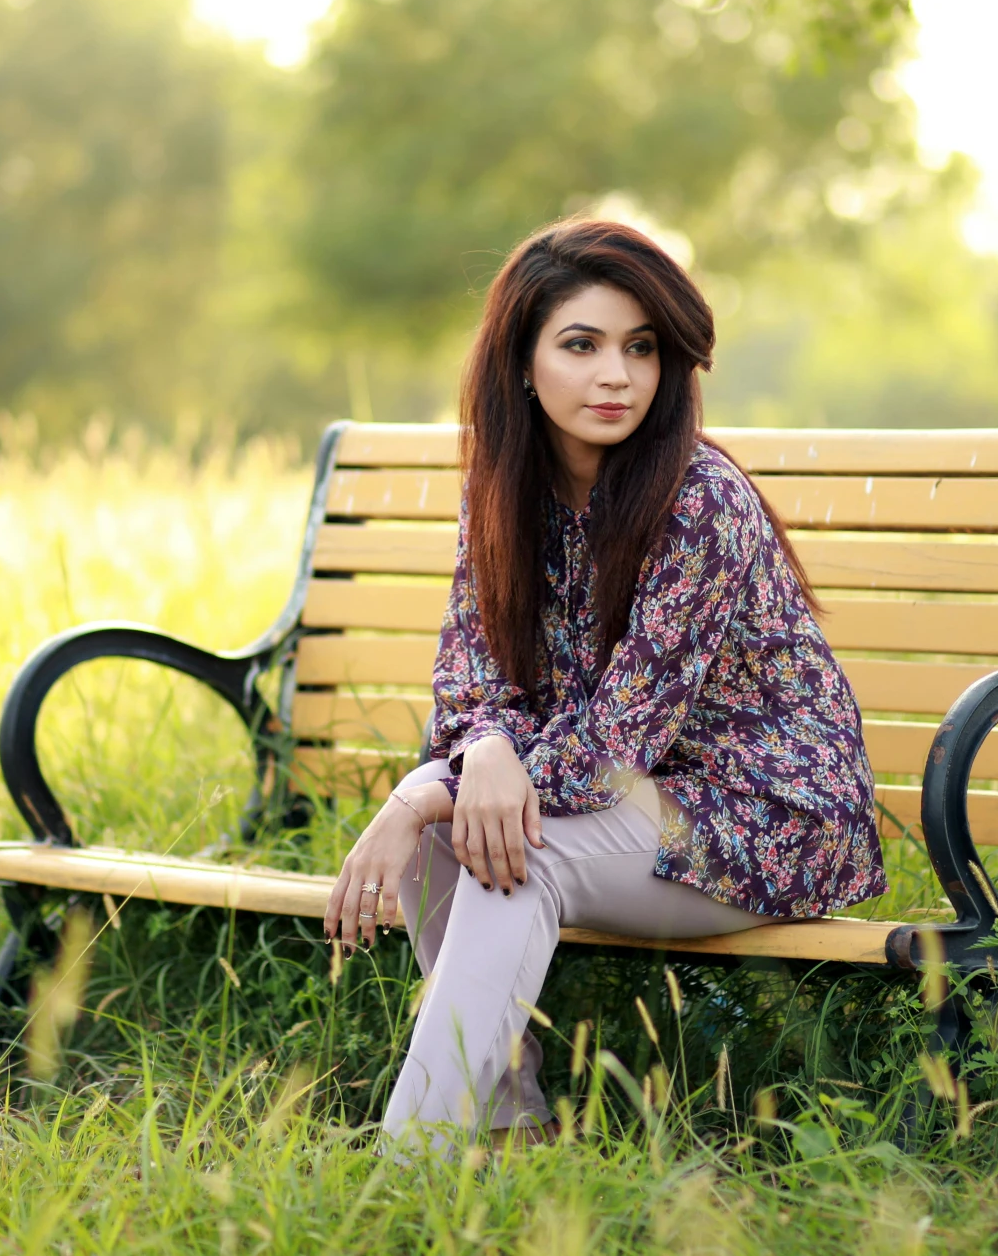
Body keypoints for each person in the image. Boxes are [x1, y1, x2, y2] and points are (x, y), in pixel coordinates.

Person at [320, 218, 887, 1151]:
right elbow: (470, 678)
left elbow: (615, 745)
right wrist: (485, 749)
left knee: (507, 849)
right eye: (581, 345)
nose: (615, 376)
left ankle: (411, 1166)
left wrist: (423, 786)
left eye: (641, 348)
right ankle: (508, 1135)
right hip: (635, 800)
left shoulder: (700, 500)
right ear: (524, 361)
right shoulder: (507, 490)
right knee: (447, 841)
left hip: (765, 814)